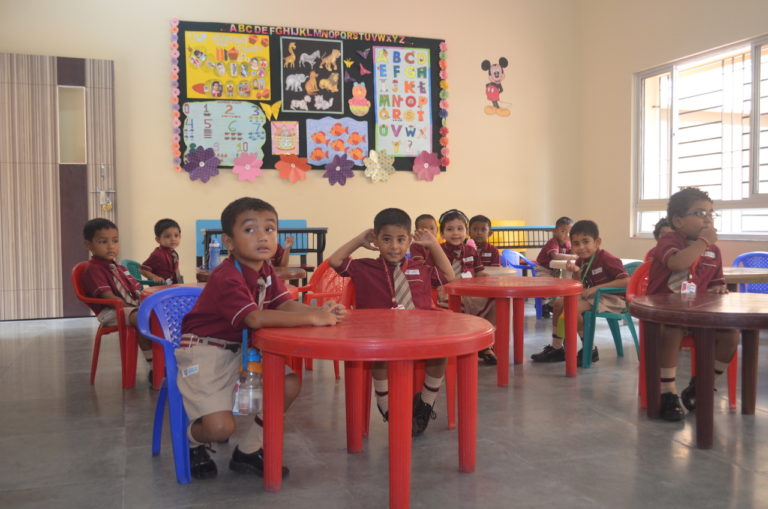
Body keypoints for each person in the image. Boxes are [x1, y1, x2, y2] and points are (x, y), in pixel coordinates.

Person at [177, 197, 345, 479]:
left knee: (289, 383)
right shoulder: (226, 276)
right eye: (250, 229)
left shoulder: (266, 270)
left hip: (242, 350)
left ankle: (249, 449)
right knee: (220, 429)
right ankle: (192, 442)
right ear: (229, 242)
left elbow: (283, 304)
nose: (263, 237)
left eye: (270, 229)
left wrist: (319, 311)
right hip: (205, 351)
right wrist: (314, 318)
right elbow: (253, 318)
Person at [328, 208, 454, 436]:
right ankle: (386, 406)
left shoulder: (420, 268)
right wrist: (359, 239)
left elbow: (449, 276)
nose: (394, 246)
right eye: (386, 239)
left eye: (400, 239)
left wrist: (434, 244)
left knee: (440, 352)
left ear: (409, 241)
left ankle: (425, 404)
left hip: (419, 333)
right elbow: (335, 260)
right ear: (376, 240)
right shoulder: (364, 267)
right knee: (379, 355)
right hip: (379, 336)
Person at [646, 187, 738, 421]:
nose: (707, 218)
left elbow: (716, 283)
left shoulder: (713, 252)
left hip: (697, 315)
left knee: (731, 335)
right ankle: (667, 393)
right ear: (678, 220)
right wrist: (703, 242)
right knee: (672, 328)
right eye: (699, 213)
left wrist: (718, 289)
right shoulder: (669, 240)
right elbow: (677, 263)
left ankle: (701, 385)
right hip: (664, 315)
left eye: (711, 213)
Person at [531, 220, 629, 366]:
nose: (581, 247)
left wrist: (597, 288)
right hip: (593, 297)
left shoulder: (606, 258)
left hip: (613, 298)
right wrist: (576, 273)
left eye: (586, 242)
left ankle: (590, 349)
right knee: (558, 303)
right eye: (576, 243)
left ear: (597, 242)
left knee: (572, 308)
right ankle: (557, 348)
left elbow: (627, 281)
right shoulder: (580, 261)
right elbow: (580, 286)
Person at [80, 218, 154, 378]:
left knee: (153, 316)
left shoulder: (118, 268)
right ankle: (155, 365)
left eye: (115, 241)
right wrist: (134, 307)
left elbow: (136, 290)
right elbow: (109, 297)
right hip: (110, 310)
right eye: (103, 241)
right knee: (142, 317)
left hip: (128, 308)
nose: (111, 246)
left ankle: (159, 363)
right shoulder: (94, 270)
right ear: (88, 245)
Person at [437, 209, 498, 365]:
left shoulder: (471, 250)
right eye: (450, 229)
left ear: (466, 232)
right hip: (446, 292)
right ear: (442, 234)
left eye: (460, 229)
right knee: (458, 307)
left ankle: (486, 345)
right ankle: (464, 345)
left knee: (497, 301)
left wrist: (491, 282)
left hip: (471, 291)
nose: (455, 233)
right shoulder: (438, 251)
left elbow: (479, 272)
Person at [536, 216, 574, 317]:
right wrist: (573, 256)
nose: (567, 235)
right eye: (563, 231)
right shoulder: (553, 242)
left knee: (562, 285)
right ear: (555, 232)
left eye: (570, 232)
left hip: (557, 271)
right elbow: (555, 256)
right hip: (543, 269)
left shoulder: (569, 244)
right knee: (548, 285)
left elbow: (574, 254)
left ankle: (551, 304)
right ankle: (542, 304)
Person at [140, 218, 183, 284]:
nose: (173, 239)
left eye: (176, 235)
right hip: (160, 289)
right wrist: (154, 277)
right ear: (158, 239)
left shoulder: (173, 253)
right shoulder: (158, 254)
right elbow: (143, 269)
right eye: (168, 236)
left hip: (171, 286)